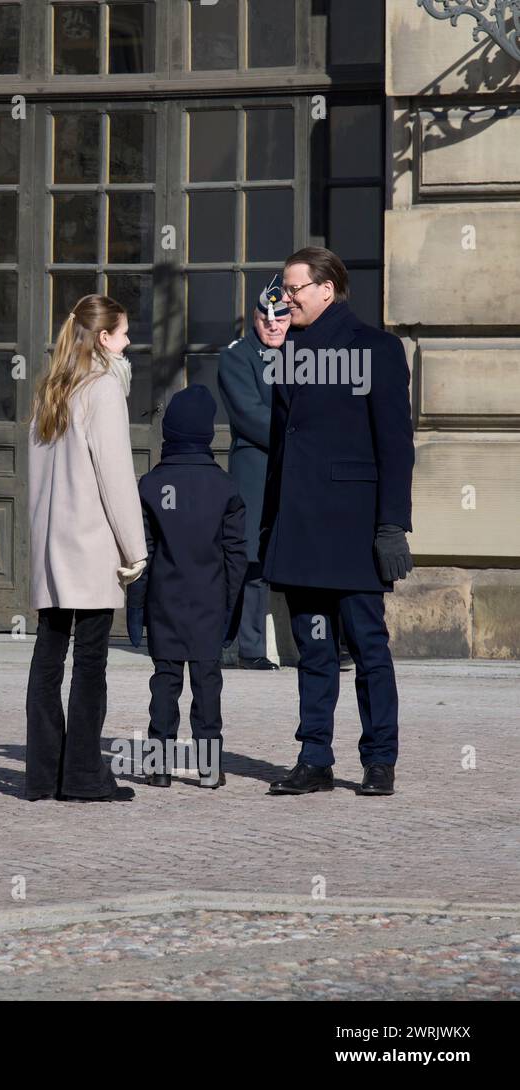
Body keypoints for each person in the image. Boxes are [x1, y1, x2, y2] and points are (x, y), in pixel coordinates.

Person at [262, 247, 414, 797]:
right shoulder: (289, 350)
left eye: (294, 288)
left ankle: (379, 759)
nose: (285, 298)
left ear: (327, 289)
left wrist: (391, 524)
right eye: (283, 289)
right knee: (314, 648)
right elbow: (282, 444)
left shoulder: (377, 348)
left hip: (353, 527)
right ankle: (314, 757)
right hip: (300, 526)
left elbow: (396, 444)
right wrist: (269, 524)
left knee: (369, 647)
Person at [26, 294, 147, 803]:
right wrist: (135, 548)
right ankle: (82, 775)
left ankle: (42, 775)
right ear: (103, 339)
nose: (128, 344)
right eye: (122, 335)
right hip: (92, 545)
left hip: (53, 544)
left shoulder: (53, 389)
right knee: (90, 663)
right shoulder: (101, 391)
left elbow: (34, 480)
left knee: (49, 658)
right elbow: (116, 476)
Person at [126, 385, 248, 789]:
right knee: (207, 684)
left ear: (169, 433)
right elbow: (236, 558)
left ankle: (159, 766)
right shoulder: (226, 487)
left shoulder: (149, 485)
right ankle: (209, 767)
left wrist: (136, 612)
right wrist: (231, 610)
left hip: (165, 599)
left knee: (165, 682)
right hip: (210, 601)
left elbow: (141, 555)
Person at [218, 275, 289, 671]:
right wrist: (299, 434)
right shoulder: (236, 356)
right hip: (256, 468)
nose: (274, 325)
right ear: (256, 318)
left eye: (281, 318)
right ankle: (244, 646)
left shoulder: (302, 354)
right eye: (267, 319)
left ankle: (319, 643)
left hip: (296, 469)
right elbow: (250, 416)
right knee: (249, 558)